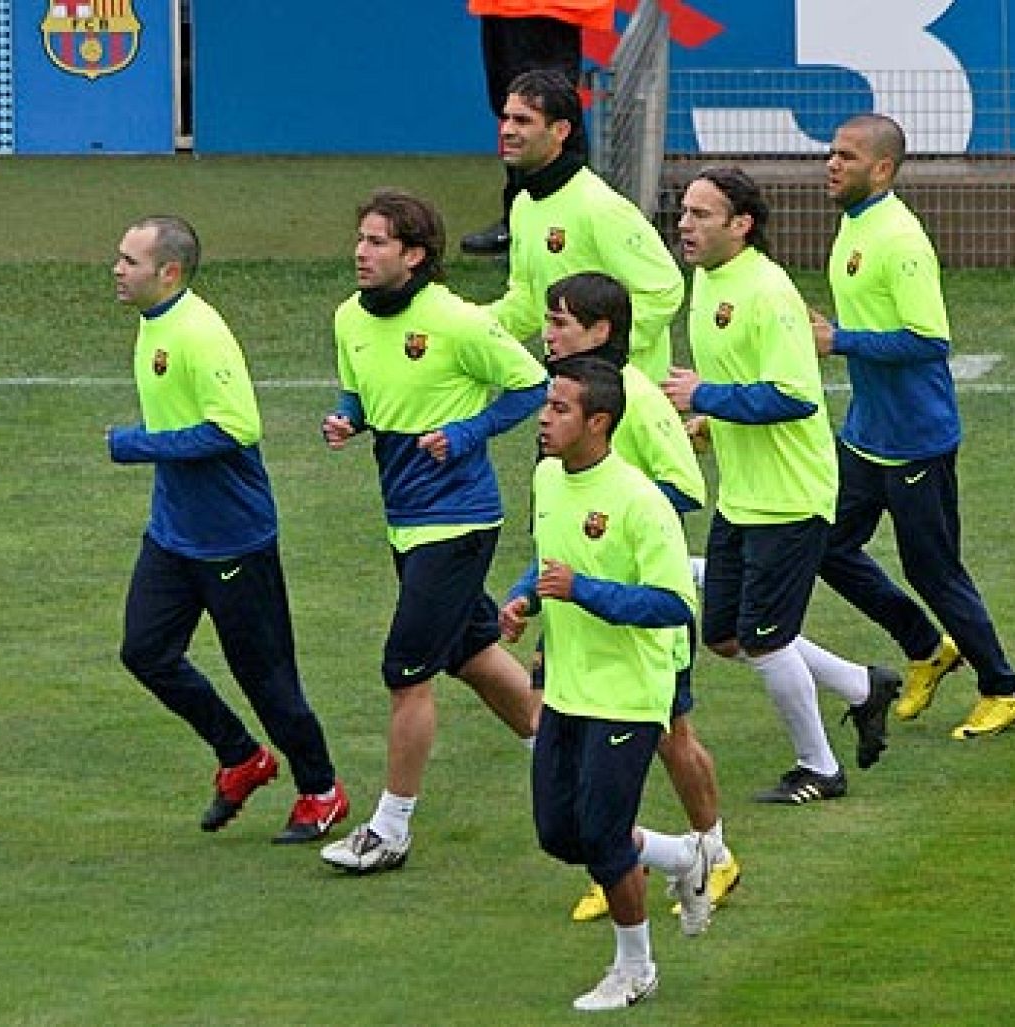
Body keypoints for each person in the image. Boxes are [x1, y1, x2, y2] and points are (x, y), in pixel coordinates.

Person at [499, 272, 744, 924]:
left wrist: (611, 521)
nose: (547, 333)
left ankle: (711, 851)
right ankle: (618, 855)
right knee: (584, 739)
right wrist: (529, 593)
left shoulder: (632, 393)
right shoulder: (564, 403)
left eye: (561, 323)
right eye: (547, 321)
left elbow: (684, 485)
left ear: (601, 331)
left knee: (672, 736)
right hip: (578, 605)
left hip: (637, 607)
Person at [318, 189, 546, 874]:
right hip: (406, 520)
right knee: (472, 652)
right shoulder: (348, 318)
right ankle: (561, 750)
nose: (362, 251)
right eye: (361, 237)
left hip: (460, 520)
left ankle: (391, 829)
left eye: (379, 241)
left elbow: (533, 385)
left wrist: (467, 431)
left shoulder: (456, 321)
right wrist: (346, 417)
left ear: (415, 255)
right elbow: (359, 385)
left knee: (405, 670)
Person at [107, 215, 349, 843]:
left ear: (170, 272)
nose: (117, 269)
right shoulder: (155, 323)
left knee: (265, 677)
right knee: (145, 651)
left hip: (233, 538)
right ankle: (241, 756)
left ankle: (322, 791)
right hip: (174, 532)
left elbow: (235, 427)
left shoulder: (200, 332)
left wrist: (139, 444)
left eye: (130, 260)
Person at [661, 167, 898, 805]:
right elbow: (749, 376)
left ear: (741, 225)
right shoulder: (706, 281)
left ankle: (819, 767)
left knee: (765, 641)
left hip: (790, 497)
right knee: (726, 636)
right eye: (684, 211)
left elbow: (794, 395)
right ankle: (861, 685)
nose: (685, 223)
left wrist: (704, 394)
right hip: (743, 494)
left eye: (702, 214)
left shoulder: (767, 292)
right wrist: (710, 417)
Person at [812, 114, 1015, 740]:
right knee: (826, 544)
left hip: (914, 439)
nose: (832, 164)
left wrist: (840, 339)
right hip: (867, 433)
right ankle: (924, 646)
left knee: (934, 570)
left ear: (882, 169)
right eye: (831, 153)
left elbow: (929, 339)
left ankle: (1004, 687)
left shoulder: (900, 240)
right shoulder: (856, 225)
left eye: (847, 156)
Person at [523, 356, 708, 1012]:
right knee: (558, 832)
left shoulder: (639, 501)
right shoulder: (547, 477)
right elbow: (549, 558)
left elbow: (672, 604)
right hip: (569, 686)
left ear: (598, 421)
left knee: (601, 835)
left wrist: (584, 592)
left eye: (561, 408)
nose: (545, 417)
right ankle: (681, 855)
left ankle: (636, 966)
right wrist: (524, 599)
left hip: (629, 690)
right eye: (547, 403)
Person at [485, 68, 684, 382]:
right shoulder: (524, 204)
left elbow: (663, 291)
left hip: (628, 397)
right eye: (506, 118)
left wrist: (599, 351)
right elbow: (526, 300)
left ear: (560, 130)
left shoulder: (601, 207)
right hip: (575, 394)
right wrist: (463, 326)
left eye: (522, 121)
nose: (507, 130)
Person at [460, 0, 615, 257]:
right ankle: (520, 220)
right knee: (511, 102)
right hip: (504, 8)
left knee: (548, 105)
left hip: (545, 9)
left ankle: (573, 222)